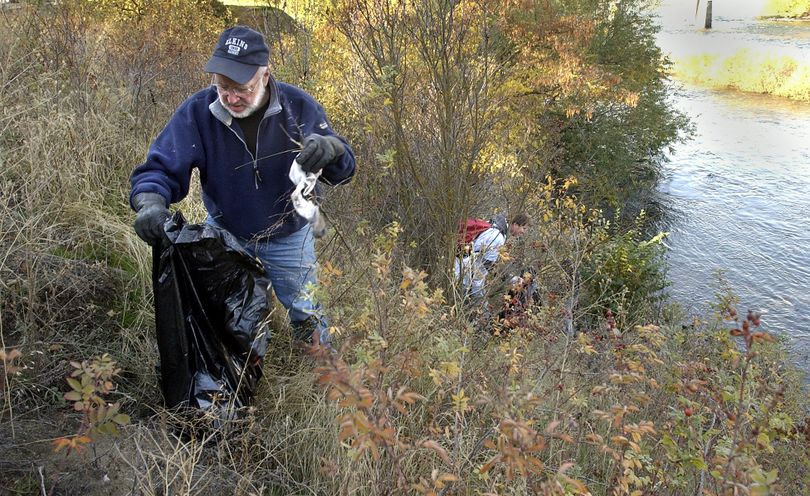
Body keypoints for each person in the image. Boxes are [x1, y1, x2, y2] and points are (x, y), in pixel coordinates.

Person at [129, 25, 355, 346]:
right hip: (226, 230)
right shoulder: (198, 112)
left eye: (242, 88)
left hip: (288, 234)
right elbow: (162, 165)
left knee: (305, 309)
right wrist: (150, 202)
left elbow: (343, 170)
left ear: (265, 76)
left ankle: (326, 375)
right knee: (224, 307)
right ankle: (235, 375)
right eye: (223, 87)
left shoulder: (298, 106)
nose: (231, 97)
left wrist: (331, 150)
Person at [455, 213, 529, 302]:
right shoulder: (498, 238)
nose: (523, 232)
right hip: (462, 275)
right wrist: (511, 279)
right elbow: (487, 266)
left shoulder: (495, 226)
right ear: (515, 225)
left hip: (461, 267)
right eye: (523, 228)